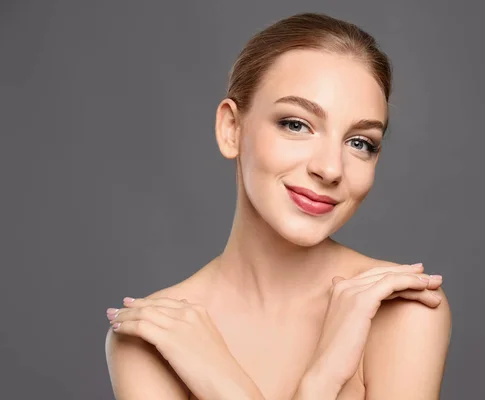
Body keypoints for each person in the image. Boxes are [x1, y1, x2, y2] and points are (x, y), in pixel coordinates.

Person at [105, 12, 452, 400]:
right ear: (231, 129)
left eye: (360, 142)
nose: (330, 168)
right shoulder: (155, 334)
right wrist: (321, 380)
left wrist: (227, 386)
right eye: (296, 124)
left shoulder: (402, 309)